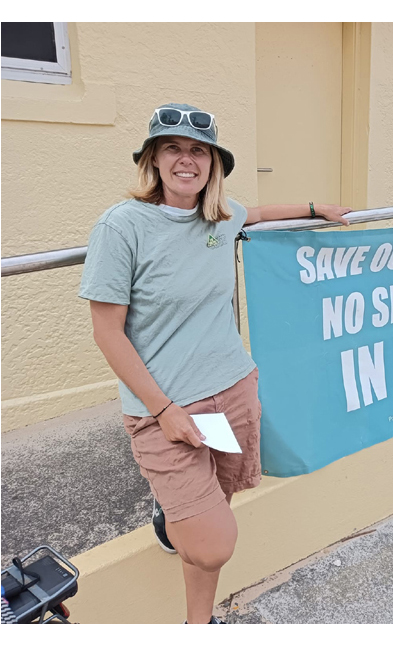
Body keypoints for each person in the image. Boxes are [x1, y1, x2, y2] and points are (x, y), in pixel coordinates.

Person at [78, 103, 351, 624]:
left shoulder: (221, 217)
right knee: (214, 543)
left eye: (198, 151)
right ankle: (169, 511)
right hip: (167, 408)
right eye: (172, 148)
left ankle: (198, 624)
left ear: (214, 164)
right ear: (153, 160)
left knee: (215, 506)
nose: (187, 160)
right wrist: (164, 412)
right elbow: (107, 332)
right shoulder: (122, 226)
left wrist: (317, 208)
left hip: (233, 389)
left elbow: (262, 214)